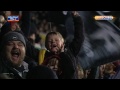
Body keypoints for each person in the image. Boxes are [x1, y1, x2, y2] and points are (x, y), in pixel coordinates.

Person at [39, 11, 84, 79]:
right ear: (46, 46)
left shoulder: (71, 51)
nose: (53, 42)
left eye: (56, 40)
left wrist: (77, 18)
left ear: (63, 42)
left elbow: (79, 36)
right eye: (50, 41)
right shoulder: (43, 55)